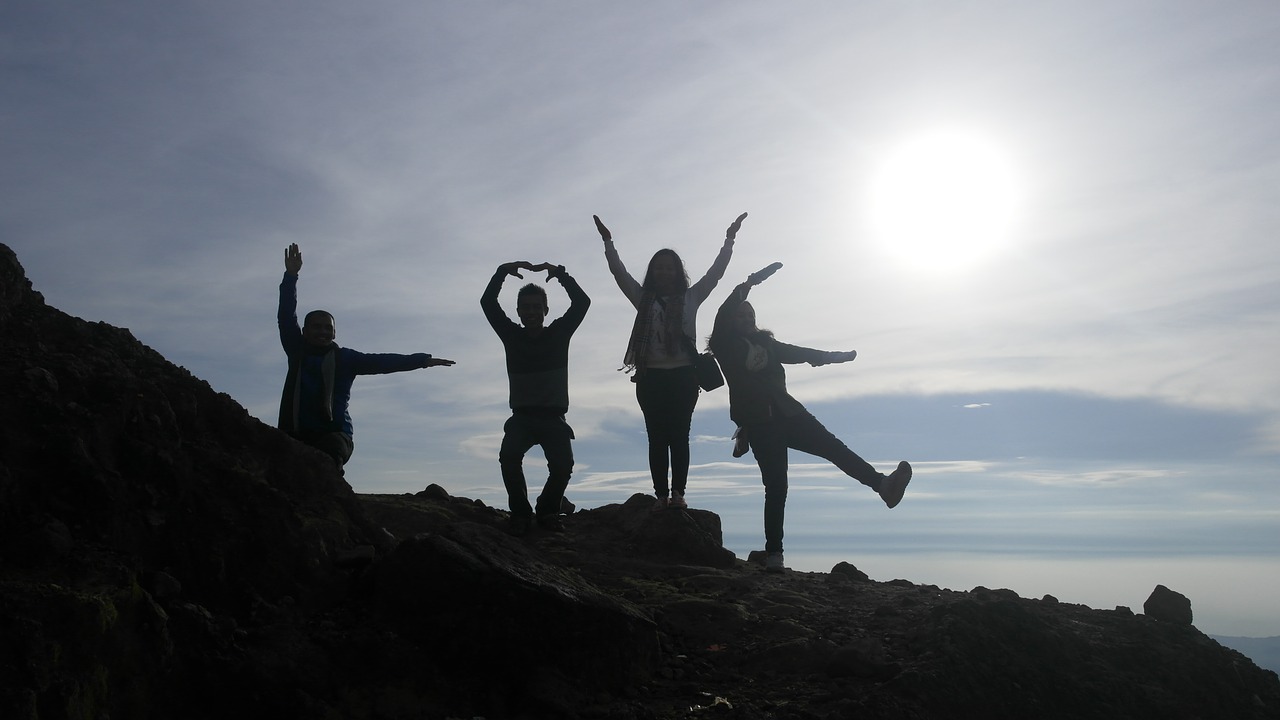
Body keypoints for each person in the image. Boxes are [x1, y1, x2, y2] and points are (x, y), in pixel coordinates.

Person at [709, 261, 912, 573]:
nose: (747, 319)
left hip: (789, 413)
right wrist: (749, 284)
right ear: (732, 321)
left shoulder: (768, 344)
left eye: (751, 315)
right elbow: (723, 312)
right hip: (760, 423)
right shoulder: (724, 345)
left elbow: (799, 352)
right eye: (742, 315)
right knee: (777, 486)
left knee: (834, 448)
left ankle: (882, 486)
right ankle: (774, 554)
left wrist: (831, 357)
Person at [594, 212, 747, 511]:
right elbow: (618, 273)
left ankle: (678, 494)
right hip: (650, 378)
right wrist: (608, 242)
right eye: (659, 268)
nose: (664, 273)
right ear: (652, 273)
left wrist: (729, 239)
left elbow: (716, 273)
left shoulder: (692, 298)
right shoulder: (642, 298)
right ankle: (660, 495)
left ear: (678, 273)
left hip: (683, 378)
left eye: (669, 268)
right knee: (656, 438)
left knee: (679, 437)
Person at [277, 243, 455, 469]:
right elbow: (286, 315)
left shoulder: (345, 359)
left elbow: (383, 361)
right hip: (296, 432)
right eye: (316, 327)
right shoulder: (297, 350)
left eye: (327, 328)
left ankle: (334, 492)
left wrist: (420, 360)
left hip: (336, 435)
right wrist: (291, 276)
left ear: (334, 332)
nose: (322, 332)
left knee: (327, 456)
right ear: (304, 331)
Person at [481, 260, 590, 536]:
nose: (531, 312)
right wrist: (502, 271)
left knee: (563, 466)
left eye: (536, 307)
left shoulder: (559, 333)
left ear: (545, 310)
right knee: (509, 456)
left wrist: (561, 274)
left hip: (554, 417)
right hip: (522, 417)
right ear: (518, 311)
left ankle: (548, 509)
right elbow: (488, 303)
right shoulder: (510, 335)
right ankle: (520, 513)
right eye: (526, 308)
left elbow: (582, 303)